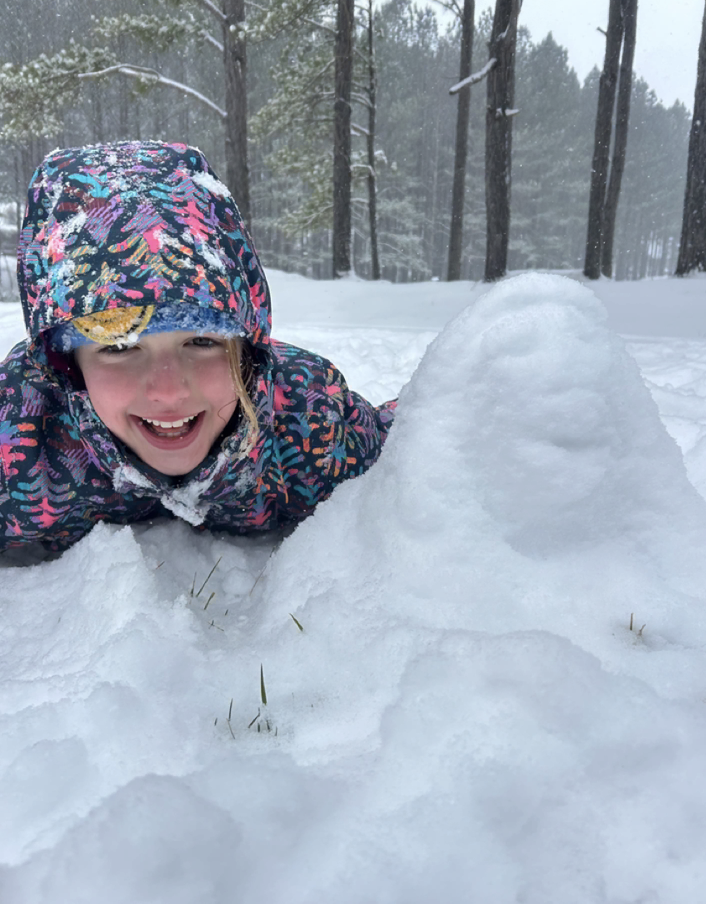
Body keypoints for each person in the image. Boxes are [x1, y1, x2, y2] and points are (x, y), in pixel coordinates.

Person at [0, 140, 396, 552]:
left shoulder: (308, 418)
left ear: (246, 345)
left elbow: (422, 437)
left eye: (202, 341)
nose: (169, 390)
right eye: (118, 348)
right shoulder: (21, 435)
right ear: (67, 363)